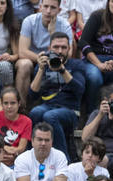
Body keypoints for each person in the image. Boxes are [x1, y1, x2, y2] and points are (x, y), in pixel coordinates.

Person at [28, 32, 86, 162]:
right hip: (47, 106)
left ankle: (63, 161)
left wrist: (62, 70)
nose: (60, 51)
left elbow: (80, 90)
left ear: (69, 49)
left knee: (50, 116)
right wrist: (41, 69)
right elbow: (32, 94)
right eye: (56, 47)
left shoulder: (76, 65)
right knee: (35, 112)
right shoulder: (43, 64)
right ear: (49, 49)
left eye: (63, 47)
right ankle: (31, 157)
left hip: (69, 110)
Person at [15, 0, 73, 110]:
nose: (48, 11)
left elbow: (68, 54)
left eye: (53, 8)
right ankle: (21, 107)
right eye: (45, 6)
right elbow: (22, 51)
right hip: (33, 58)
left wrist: (52, 33)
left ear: (59, 10)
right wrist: (41, 59)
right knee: (24, 64)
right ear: (40, 7)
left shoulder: (65, 25)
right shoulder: (30, 21)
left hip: (56, 60)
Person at [0, 87, 32, 167]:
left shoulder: (27, 121)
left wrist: (13, 154)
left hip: (15, 157)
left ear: (19, 103)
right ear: (2, 104)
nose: (9, 106)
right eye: (6, 103)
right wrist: (2, 150)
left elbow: (21, 148)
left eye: (13, 103)